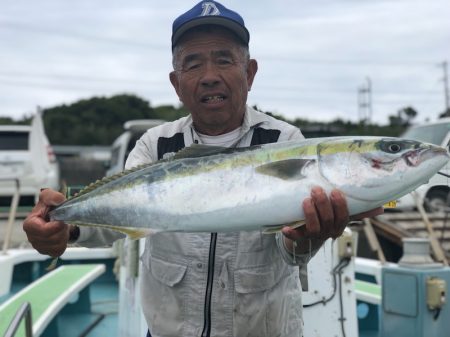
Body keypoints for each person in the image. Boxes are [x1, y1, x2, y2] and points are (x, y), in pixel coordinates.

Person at [23, 1, 382, 336]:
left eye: (224, 60)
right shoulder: (155, 144)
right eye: (193, 64)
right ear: (177, 84)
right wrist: (64, 229)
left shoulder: (284, 141)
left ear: (250, 72)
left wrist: (308, 237)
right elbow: (121, 219)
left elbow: (289, 250)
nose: (210, 76)